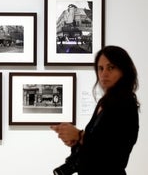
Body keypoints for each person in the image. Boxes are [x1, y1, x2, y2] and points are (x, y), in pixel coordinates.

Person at [51, 45, 140, 175]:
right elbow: (94, 147)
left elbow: (113, 154)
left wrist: (79, 135)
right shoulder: (104, 103)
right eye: (100, 68)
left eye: (111, 67)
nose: (104, 74)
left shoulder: (126, 104)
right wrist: (76, 141)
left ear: (124, 71)